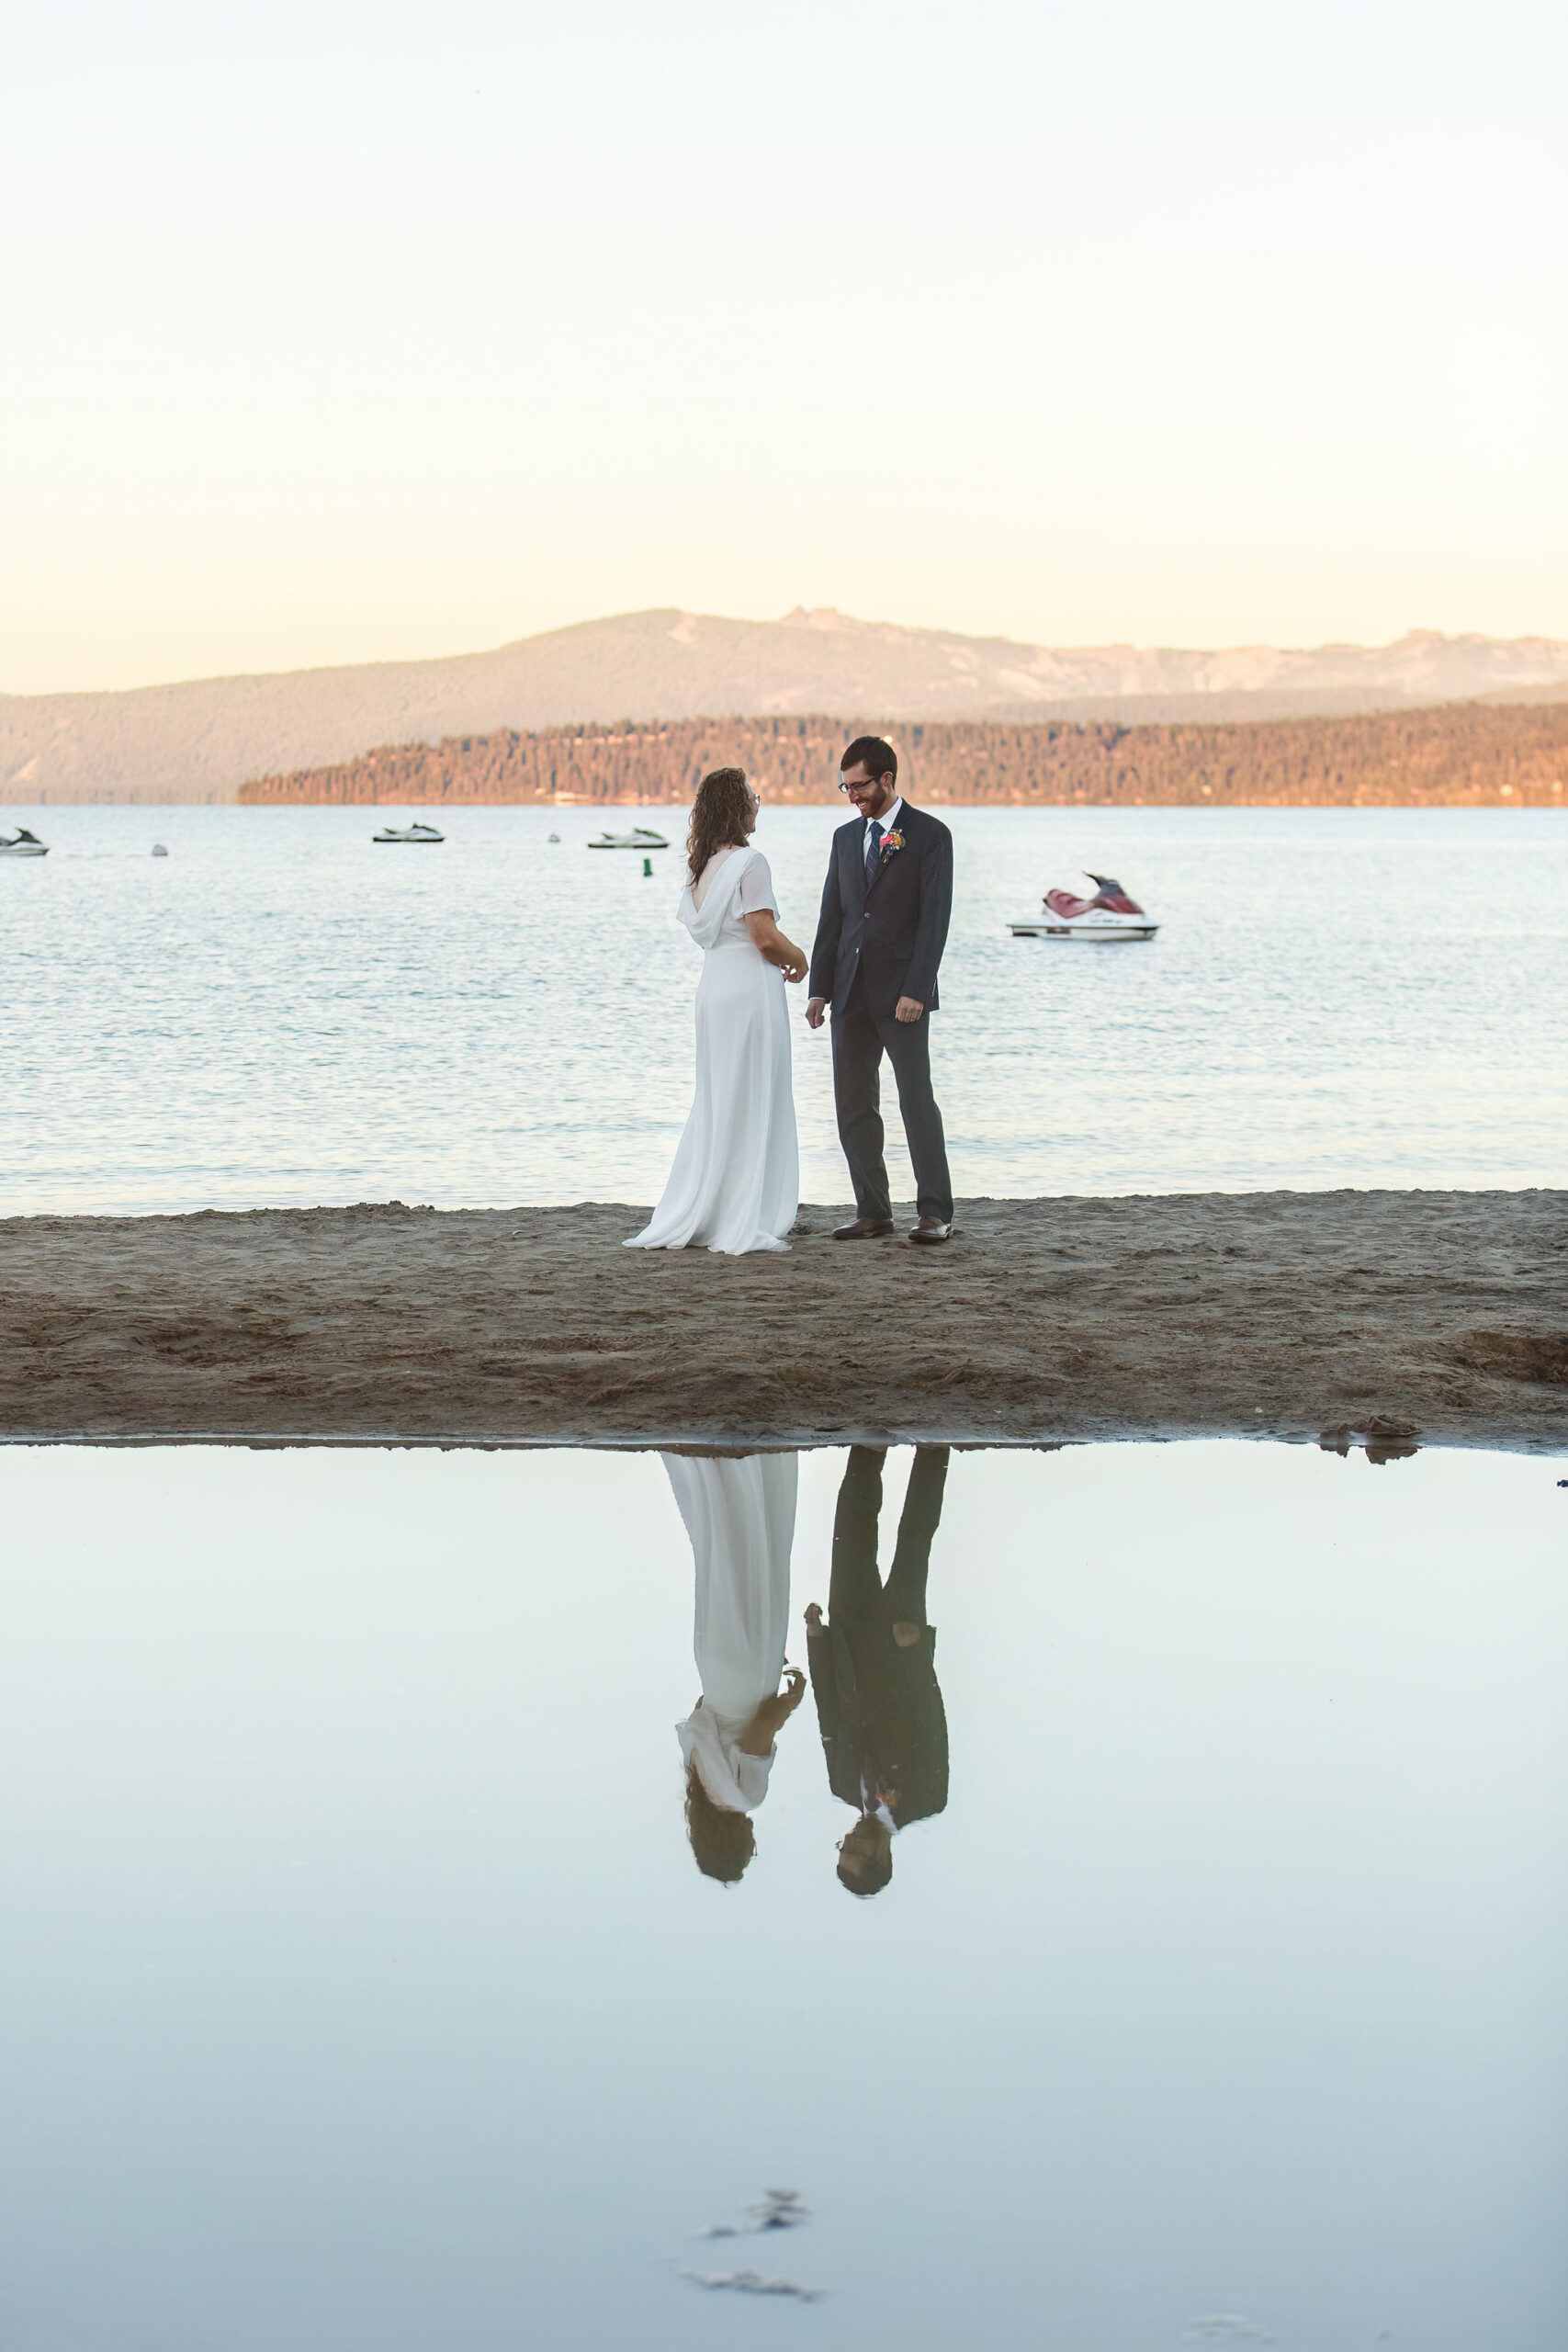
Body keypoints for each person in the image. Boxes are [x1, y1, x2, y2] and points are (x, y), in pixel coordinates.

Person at [626, 767, 808, 1255]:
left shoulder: (701, 868)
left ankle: (712, 1204)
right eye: (753, 794)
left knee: (720, 1097)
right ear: (736, 806)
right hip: (750, 990)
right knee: (751, 1094)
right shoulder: (751, 862)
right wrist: (801, 959)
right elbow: (763, 935)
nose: (759, 800)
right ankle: (743, 1211)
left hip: (713, 990)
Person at [805, 736, 954, 1244]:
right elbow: (833, 917)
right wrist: (819, 989)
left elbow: (935, 922)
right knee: (853, 1104)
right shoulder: (845, 839)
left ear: (887, 779)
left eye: (860, 785)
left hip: (902, 996)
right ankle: (873, 1210)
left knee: (916, 1099)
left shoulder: (931, 835)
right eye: (845, 788)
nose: (853, 796)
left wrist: (918, 987)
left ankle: (936, 1213)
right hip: (849, 993)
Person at [804, 1445, 950, 1896]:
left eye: (842, 1847)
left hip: (848, 1640)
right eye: (857, 1852)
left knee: (851, 1529)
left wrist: (816, 1640)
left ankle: (868, 1444)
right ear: (882, 1858)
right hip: (897, 1645)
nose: (849, 1840)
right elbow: (933, 1723)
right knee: (915, 1539)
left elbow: (829, 1715)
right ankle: (936, 1443)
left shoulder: (841, 1785)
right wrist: (918, 1650)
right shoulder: (928, 1798)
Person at [666, 1451, 807, 1883]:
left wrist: (792, 1699)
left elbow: (760, 1728)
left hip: (747, 1678)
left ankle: (749, 1468)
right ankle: (717, 1472)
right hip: (714, 1664)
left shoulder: (747, 1797)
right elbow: (702, 1709)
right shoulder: (696, 1771)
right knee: (720, 1564)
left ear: (738, 1844)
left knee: (757, 1565)